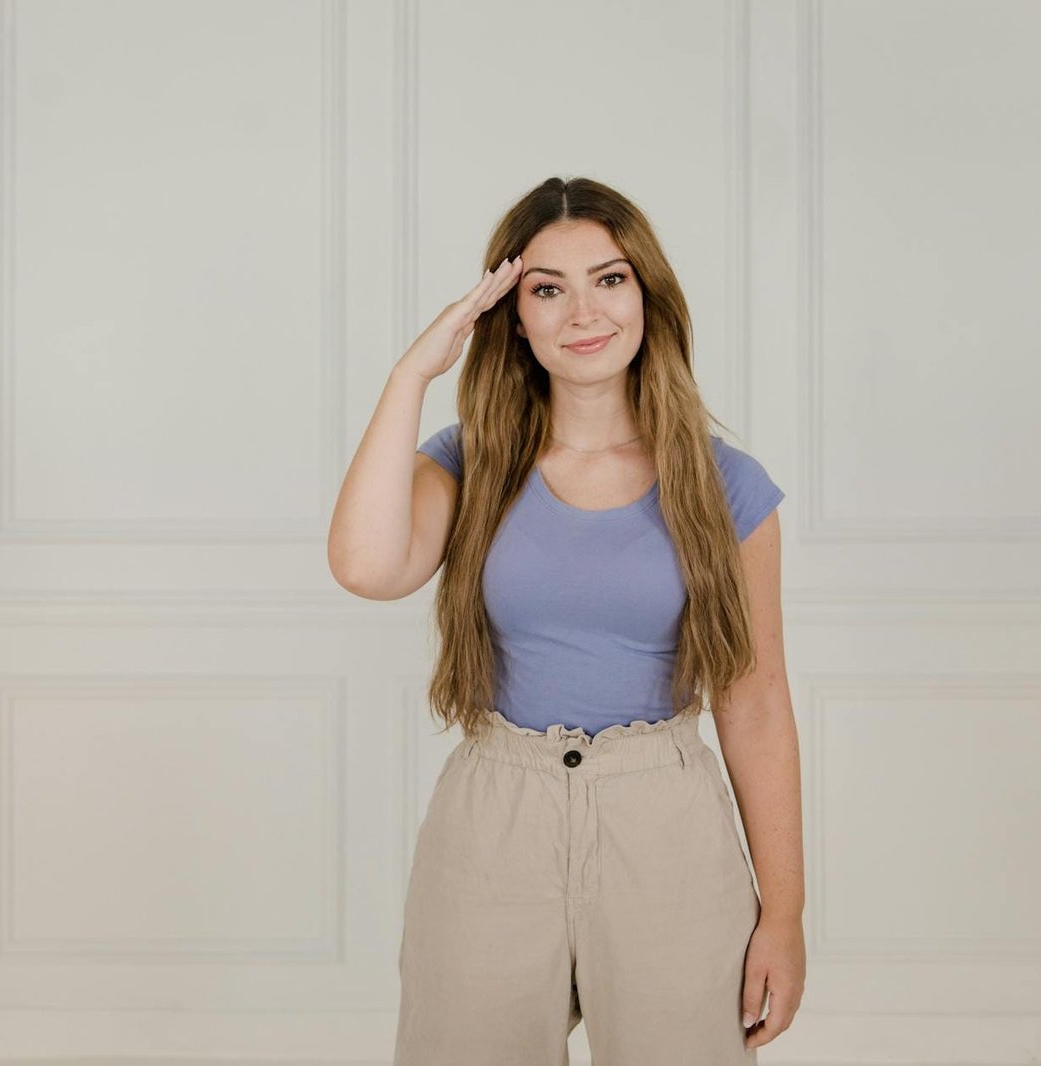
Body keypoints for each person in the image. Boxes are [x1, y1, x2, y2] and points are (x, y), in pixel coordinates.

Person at [327, 176, 806, 1064]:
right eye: (548, 288)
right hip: (495, 818)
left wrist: (784, 916)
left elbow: (757, 701)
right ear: (513, 315)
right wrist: (413, 372)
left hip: (666, 821)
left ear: (646, 294)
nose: (583, 311)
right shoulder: (473, 462)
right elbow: (363, 565)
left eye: (609, 279)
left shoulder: (726, 484)